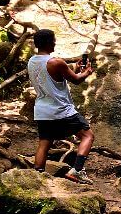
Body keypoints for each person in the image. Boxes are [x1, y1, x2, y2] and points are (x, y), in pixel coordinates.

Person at [27, 29, 95, 184]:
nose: (55, 43)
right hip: (60, 109)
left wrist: (75, 69)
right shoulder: (55, 62)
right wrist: (86, 72)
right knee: (87, 136)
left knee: (44, 142)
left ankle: (37, 175)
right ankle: (77, 171)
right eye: (53, 40)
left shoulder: (32, 61)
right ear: (48, 42)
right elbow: (77, 80)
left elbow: (54, 78)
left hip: (42, 110)